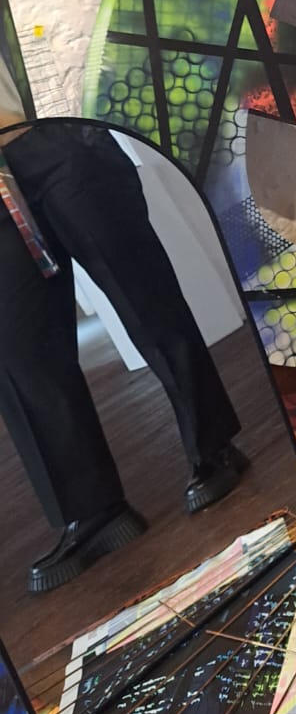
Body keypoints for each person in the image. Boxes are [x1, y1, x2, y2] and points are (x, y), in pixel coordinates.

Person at [0, 100, 248, 595]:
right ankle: (92, 510)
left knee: (141, 291)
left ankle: (214, 445)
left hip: (53, 135)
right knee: (19, 352)